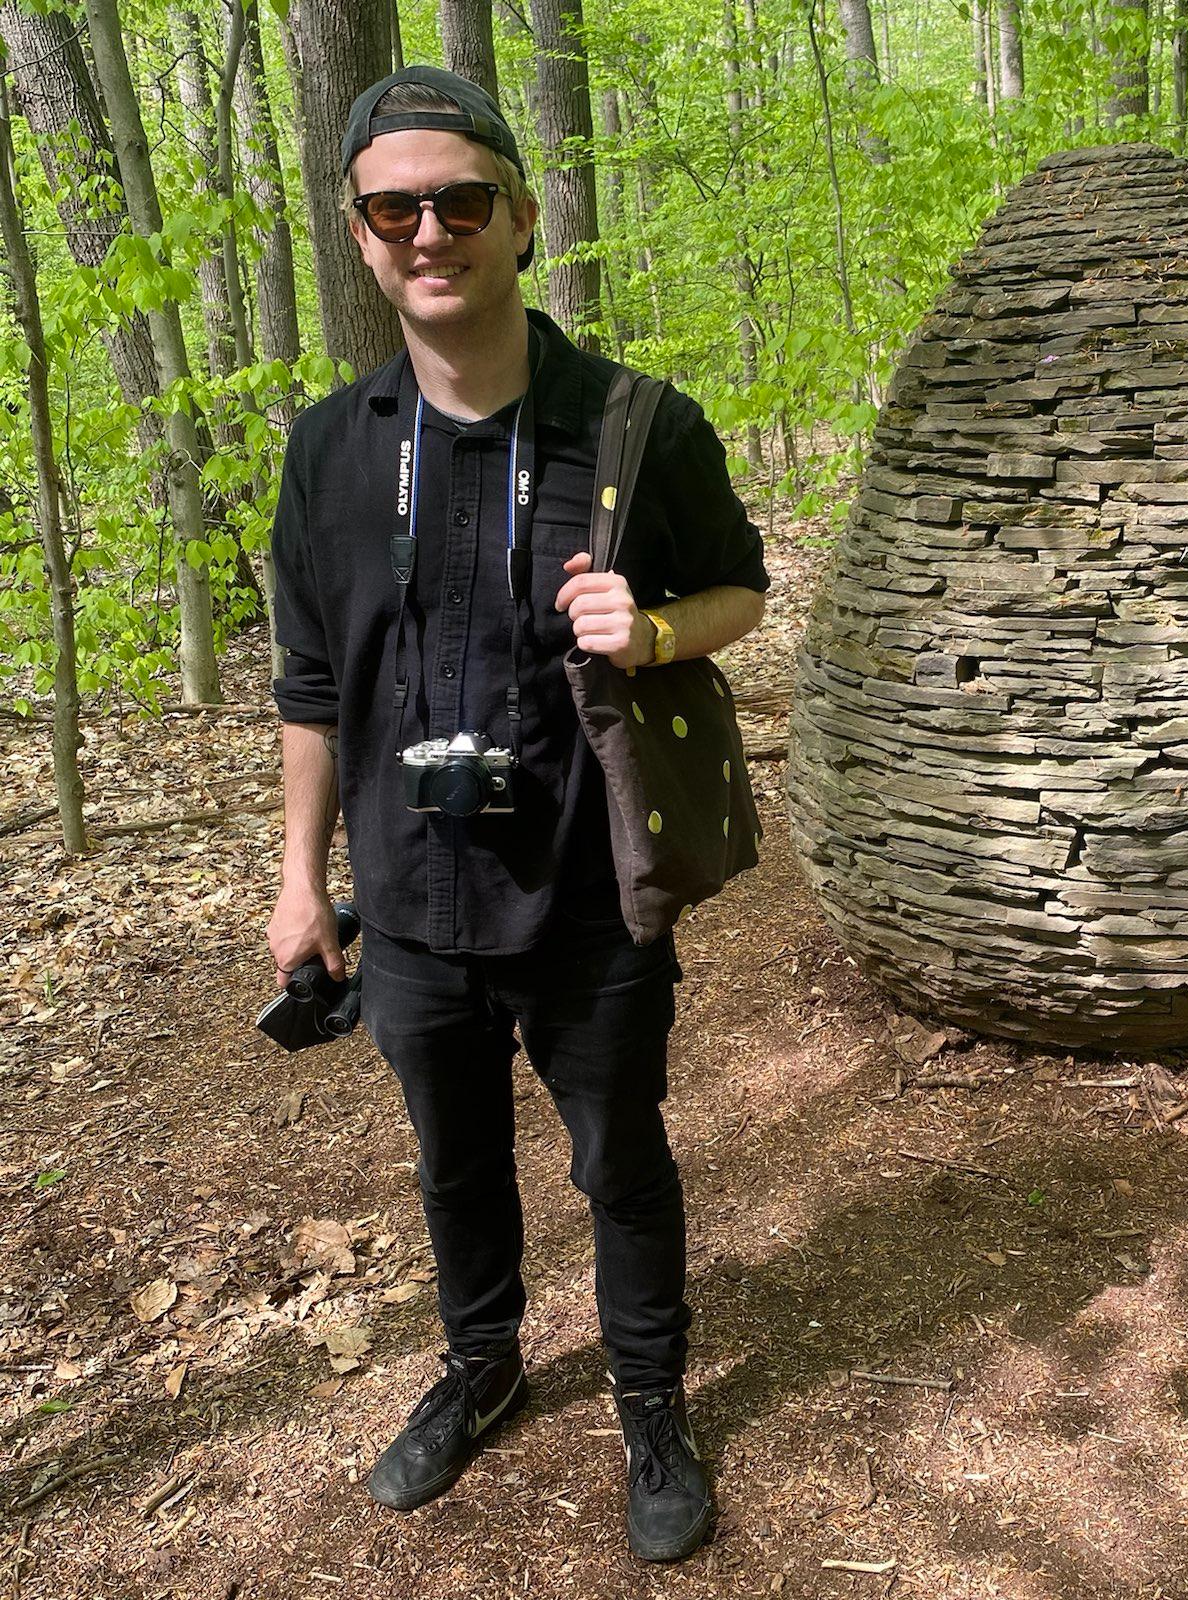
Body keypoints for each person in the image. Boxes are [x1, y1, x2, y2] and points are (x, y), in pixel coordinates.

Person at [265, 64, 768, 1563]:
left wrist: (657, 631)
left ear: (523, 218)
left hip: (584, 888)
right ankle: (481, 1368)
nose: (432, 229)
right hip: (408, 899)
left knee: (619, 1155)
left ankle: (652, 1403)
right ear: (360, 236)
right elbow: (308, 685)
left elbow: (742, 586)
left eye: (461, 199)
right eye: (396, 206)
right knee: (455, 1162)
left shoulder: (633, 424)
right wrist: (299, 879)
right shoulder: (327, 449)